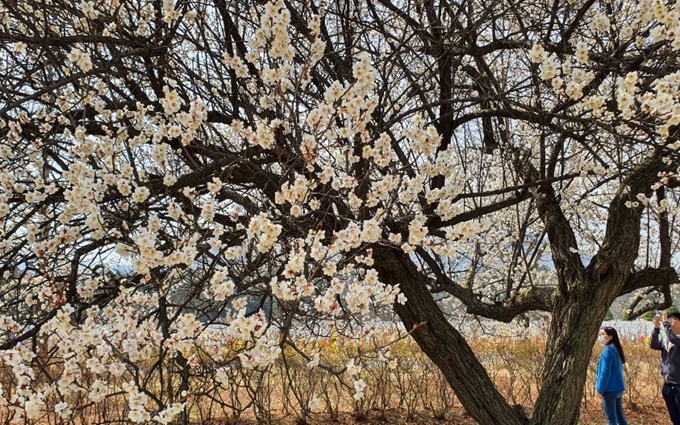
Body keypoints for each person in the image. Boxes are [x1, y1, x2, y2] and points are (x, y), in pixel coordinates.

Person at [651, 311, 680, 424]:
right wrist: (656, 329)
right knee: (674, 417)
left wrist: (665, 324)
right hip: (668, 384)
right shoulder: (667, 339)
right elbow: (653, 345)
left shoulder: (675, 339)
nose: (668, 322)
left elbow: (674, 339)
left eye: (672, 320)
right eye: (668, 320)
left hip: (679, 385)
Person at [596, 326, 628, 425]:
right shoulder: (616, 349)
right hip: (617, 388)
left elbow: (605, 373)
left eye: (603, 334)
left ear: (610, 337)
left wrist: (600, 390)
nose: (600, 337)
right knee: (620, 416)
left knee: (611, 419)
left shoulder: (608, 351)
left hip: (609, 390)